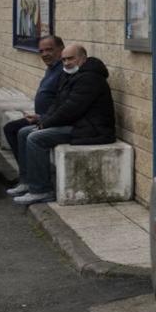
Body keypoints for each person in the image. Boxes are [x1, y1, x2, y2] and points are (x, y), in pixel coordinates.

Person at [12, 43, 117, 205]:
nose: (67, 63)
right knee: (23, 132)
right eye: (64, 60)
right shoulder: (70, 75)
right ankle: (27, 182)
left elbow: (71, 109)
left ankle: (41, 190)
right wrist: (42, 118)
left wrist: (45, 124)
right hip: (78, 124)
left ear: (83, 58)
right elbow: (58, 103)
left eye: (71, 59)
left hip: (92, 129)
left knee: (35, 138)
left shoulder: (90, 78)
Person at [2, 35, 65, 169]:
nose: (45, 54)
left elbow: (62, 104)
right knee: (10, 128)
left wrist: (41, 118)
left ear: (61, 49)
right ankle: (26, 175)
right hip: (41, 117)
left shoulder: (63, 71)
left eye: (49, 50)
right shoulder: (52, 68)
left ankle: (29, 176)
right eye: (41, 51)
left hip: (50, 120)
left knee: (20, 132)